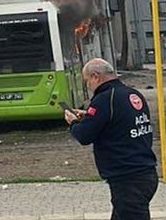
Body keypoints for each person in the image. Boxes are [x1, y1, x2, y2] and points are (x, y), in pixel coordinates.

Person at [64, 58, 158, 220]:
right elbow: (121, 122)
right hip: (145, 171)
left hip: (127, 177)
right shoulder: (133, 94)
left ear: (95, 77)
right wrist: (90, 116)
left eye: (86, 81)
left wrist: (73, 122)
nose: (87, 86)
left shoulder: (104, 99)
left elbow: (84, 135)